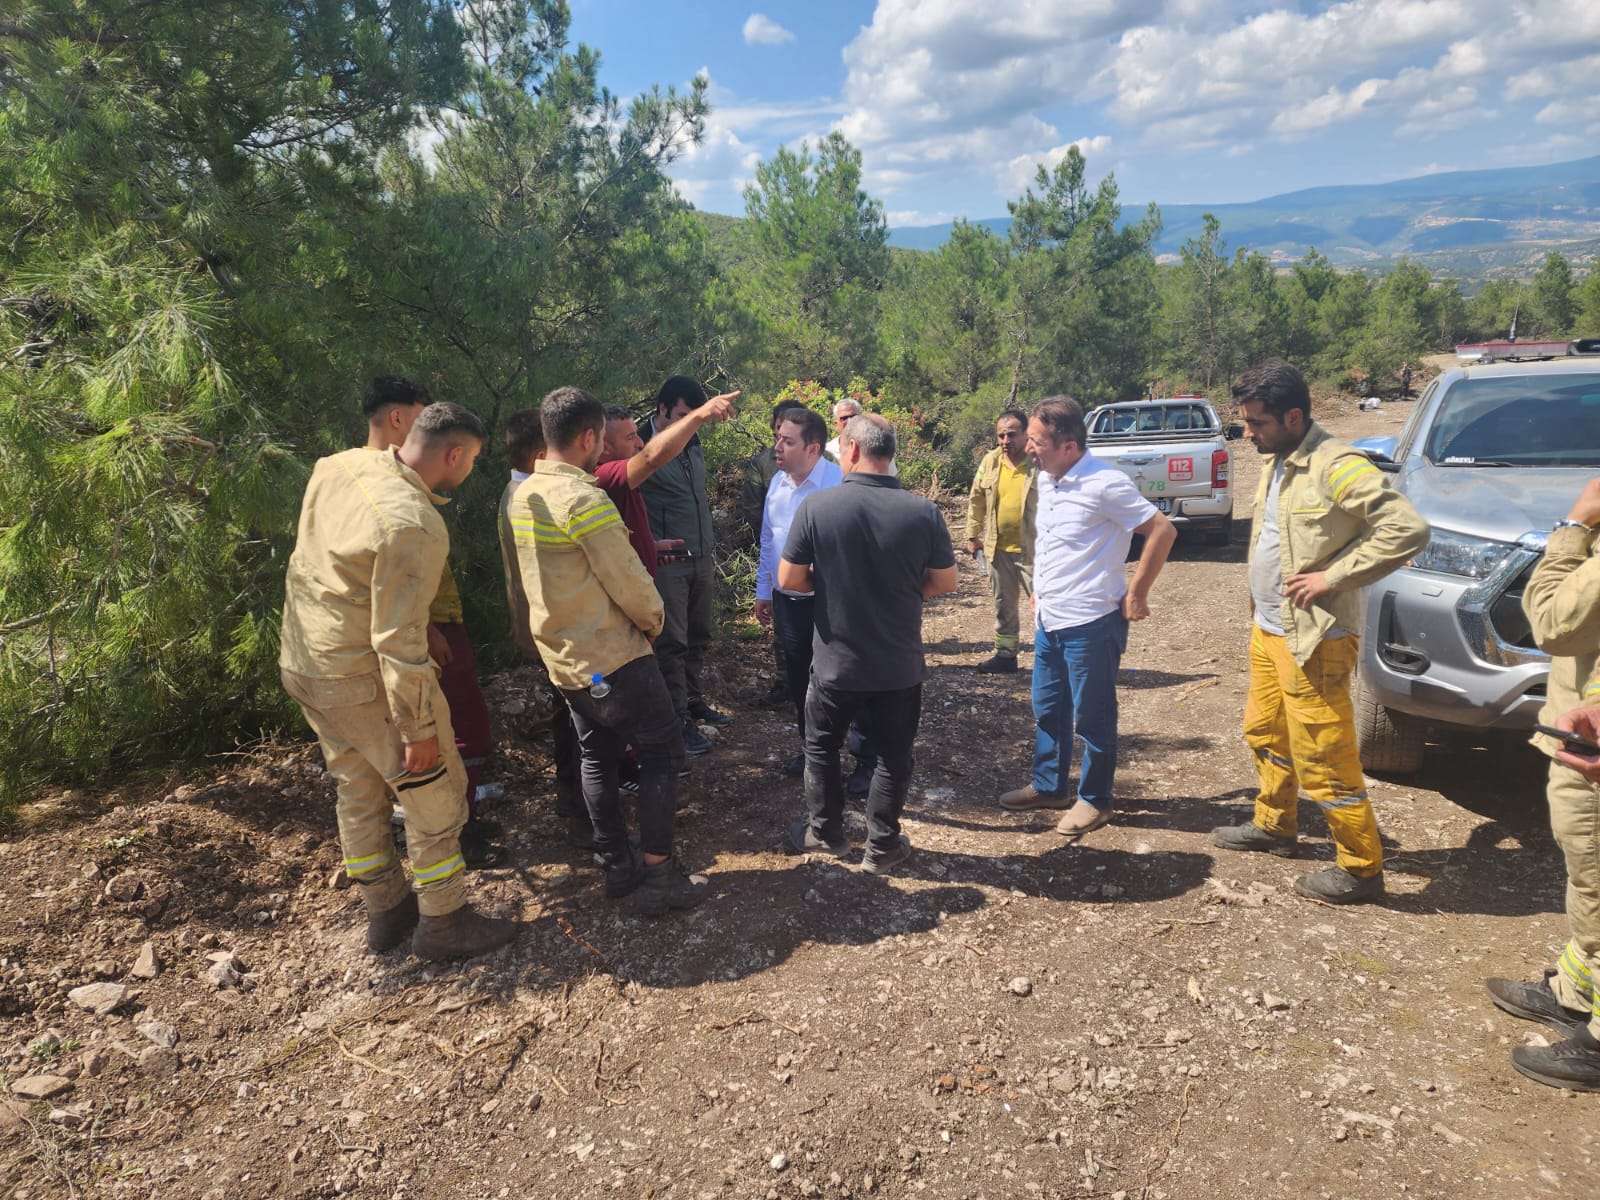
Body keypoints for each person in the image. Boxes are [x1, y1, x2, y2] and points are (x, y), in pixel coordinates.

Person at [280, 401, 519, 960]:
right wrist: (418, 730)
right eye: (473, 460)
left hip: (306, 662)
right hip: (363, 677)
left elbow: (342, 566)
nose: (470, 470)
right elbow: (396, 642)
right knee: (432, 796)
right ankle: (444, 923)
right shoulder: (415, 522)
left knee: (357, 789)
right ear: (454, 454)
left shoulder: (336, 466)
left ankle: (386, 912)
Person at [1210, 358, 1428, 904]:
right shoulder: (1277, 457)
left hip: (1315, 640)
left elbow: (1407, 528)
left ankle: (1360, 868)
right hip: (1270, 630)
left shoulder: (1336, 463)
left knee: (1325, 757)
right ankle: (1275, 824)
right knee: (1264, 731)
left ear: (1293, 415)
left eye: (1257, 424)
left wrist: (1334, 576)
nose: (1248, 434)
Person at [512, 386, 707, 916]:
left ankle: (617, 867)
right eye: (602, 437)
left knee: (596, 758)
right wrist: (653, 623)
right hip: (614, 654)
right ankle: (659, 873)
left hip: (566, 660)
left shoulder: (523, 495)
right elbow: (630, 584)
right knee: (663, 754)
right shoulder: (583, 499)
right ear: (587, 436)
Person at [782, 414, 958, 873]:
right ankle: (882, 846)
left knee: (821, 747)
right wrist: (899, 585)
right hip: (898, 665)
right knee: (893, 754)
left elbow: (788, 579)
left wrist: (834, 583)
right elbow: (945, 581)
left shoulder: (818, 508)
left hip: (836, 662)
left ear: (853, 451)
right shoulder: (923, 512)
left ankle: (827, 834)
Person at [997, 396, 1176, 840]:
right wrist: (1040, 589)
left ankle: (1095, 799)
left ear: (1070, 446)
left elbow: (1162, 530)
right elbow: (1056, 544)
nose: (1028, 448)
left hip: (1092, 625)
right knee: (1047, 708)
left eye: (1037, 441)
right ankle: (1049, 786)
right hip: (1051, 622)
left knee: (1093, 717)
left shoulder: (1105, 484)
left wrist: (1137, 592)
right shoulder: (1050, 478)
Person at [1484, 478, 1600, 1091]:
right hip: (1582, 728)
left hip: (1592, 746)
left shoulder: (1590, 529)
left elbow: (1551, 621)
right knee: (1588, 872)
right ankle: (1576, 992)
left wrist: (1577, 525)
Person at [361, 376, 502, 867]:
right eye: (418, 417)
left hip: (435, 622)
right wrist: (429, 629)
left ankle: (457, 826)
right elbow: (390, 600)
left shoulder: (373, 480)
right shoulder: (394, 501)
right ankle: (449, 844)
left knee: (465, 730)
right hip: (426, 631)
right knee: (455, 737)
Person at [496, 409, 592, 849]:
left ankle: (574, 798)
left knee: (567, 718)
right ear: (540, 456)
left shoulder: (514, 492)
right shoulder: (531, 499)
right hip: (559, 632)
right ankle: (578, 807)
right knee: (575, 720)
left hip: (542, 630)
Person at [637, 376, 741, 755]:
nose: (689, 422)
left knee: (698, 636)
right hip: (667, 563)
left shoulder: (692, 443)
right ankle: (675, 719)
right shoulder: (640, 444)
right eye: (683, 415)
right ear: (662, 409)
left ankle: (693, 701)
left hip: (701, 555)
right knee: (671, 642)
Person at [754, 406, 841, 775]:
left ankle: (845, 753)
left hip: (830, 603)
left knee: (835, 680)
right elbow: (769, 539)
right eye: (777, 439)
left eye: (787, 442)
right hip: (787, 601)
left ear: (813, 449)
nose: (778, 447)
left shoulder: (838, 484)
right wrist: (764, 589)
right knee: (798, 678)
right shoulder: (777, 482)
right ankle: (811, 752)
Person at [742, 401, 808, 706]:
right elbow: (754, 510)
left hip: (817, 558)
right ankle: (787, 683)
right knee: (784, 627)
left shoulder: (827, 463)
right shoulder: (762, 465)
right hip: (781, 555)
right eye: (781, 426)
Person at [965, 409, 1038, 674]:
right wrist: (973, 535)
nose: (1006, 441)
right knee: (1003, 607)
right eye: (1001, 435)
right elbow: (976, 499)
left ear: (1027, 433)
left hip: (1035, 551)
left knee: (1045, 607)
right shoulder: (990, 462)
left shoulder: (1039, 461)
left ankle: (1055, 659)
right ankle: (1006, 657)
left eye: (1012, 434)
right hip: (998, 549)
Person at [825, 395, 896, 475]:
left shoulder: (879, 446)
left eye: (854, 416)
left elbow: (890, 477)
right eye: (844, 418)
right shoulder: (827, 451)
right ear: (836, 424)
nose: (850, 421)